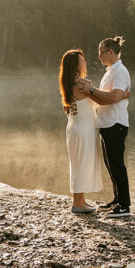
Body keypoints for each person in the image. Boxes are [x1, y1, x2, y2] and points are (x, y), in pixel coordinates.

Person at [77, 36, 132, 218]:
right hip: (106, 123)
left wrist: (91, 90)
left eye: (101, 53)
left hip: (116, 124)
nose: (99, 56)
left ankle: (124, 206)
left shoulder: (120, 72)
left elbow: (114, 96)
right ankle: (117, 200)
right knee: (110, 165)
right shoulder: (110, 71)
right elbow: (106, 98)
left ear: (110, 52)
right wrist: (91, 92)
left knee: (117, 165)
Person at [59, 49, 104, 213]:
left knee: (79, 164)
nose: (85, 62)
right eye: (82, 60)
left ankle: (81, 201)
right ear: (76, 65)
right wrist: (121, 95)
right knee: (80, 165)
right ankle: (77, 204)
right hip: (82, 129)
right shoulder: (81, 83)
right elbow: (101, 100)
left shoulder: (69, 82)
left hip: (77, 127)